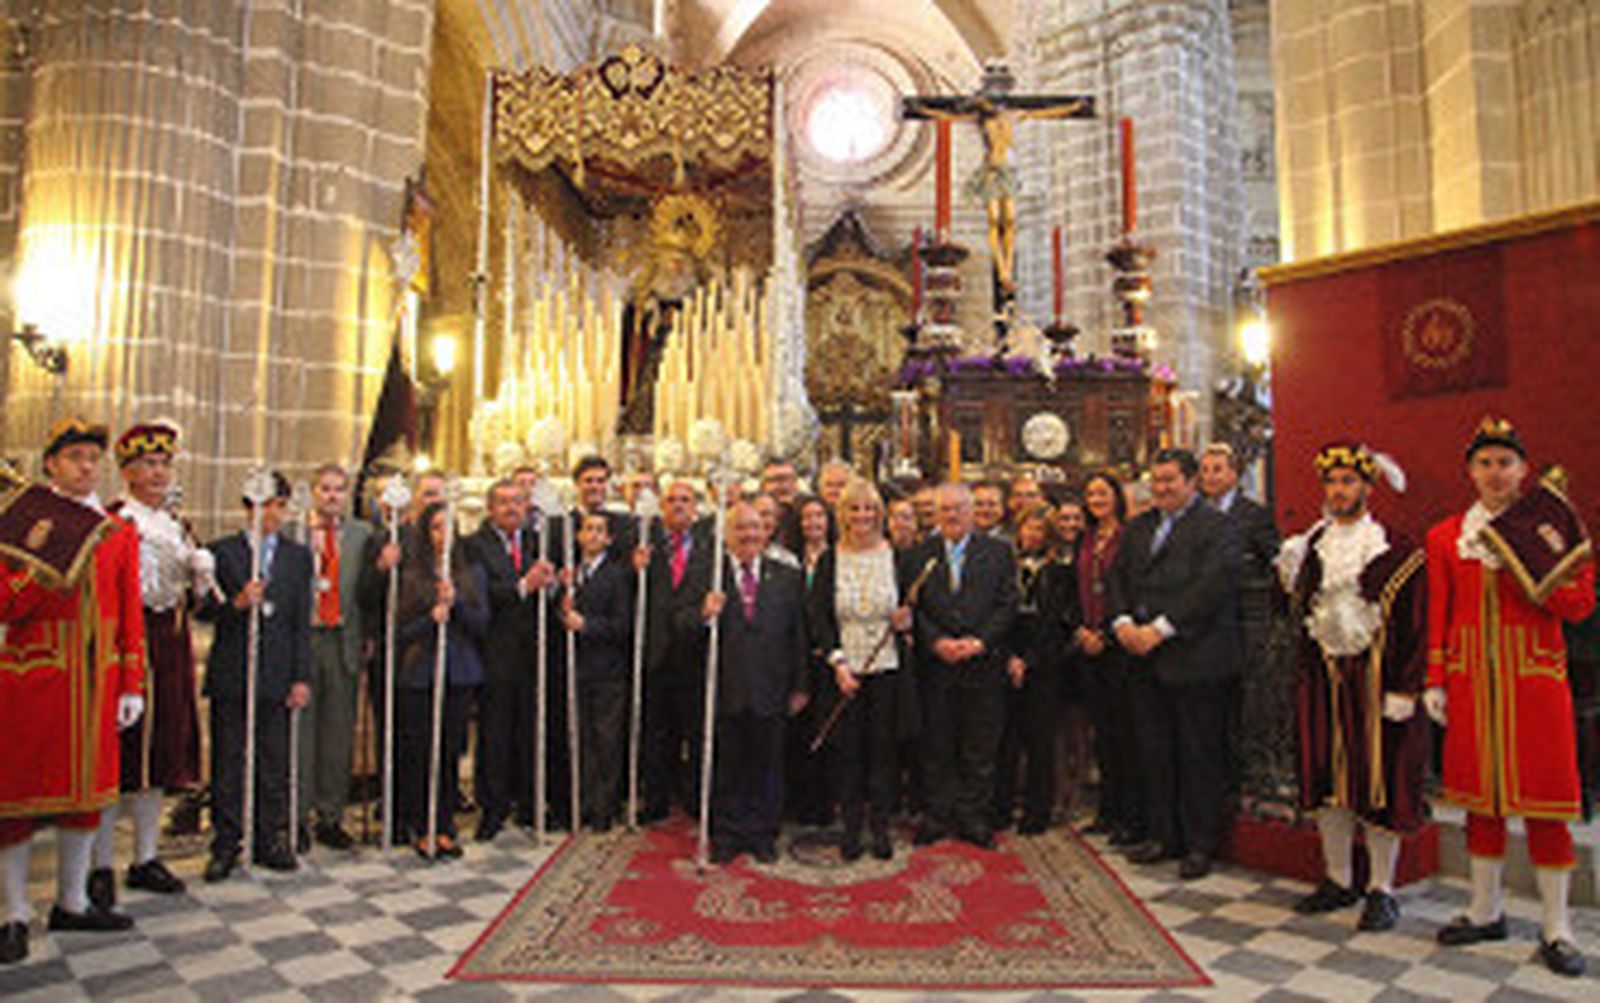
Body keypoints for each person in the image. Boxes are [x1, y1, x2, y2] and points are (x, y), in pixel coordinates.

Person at [1426, 418, 1595, 976]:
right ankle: (1484, 908)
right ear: (1470, 472)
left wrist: (1538, 575)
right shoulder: (1447, 536)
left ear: (1523, 471)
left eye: (1505, 463)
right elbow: (1440, 614)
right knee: (1481, 801)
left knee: (1548, 806)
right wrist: (1435, 678)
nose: (1494, 474)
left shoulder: (1550, 528)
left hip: (1535, 681)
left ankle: (1557, 925)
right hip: (1472, 680)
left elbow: (1579, 605)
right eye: (1484, 463)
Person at [1, 419, 146, 964]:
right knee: (14, 802)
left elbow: (129, 611)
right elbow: (5, 603)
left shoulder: (116, 531)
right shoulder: (23, 523)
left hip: (96, 681)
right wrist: (45, 564)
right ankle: (13, 912)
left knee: (88, 798)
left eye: (92, 458)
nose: (86, 466)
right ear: (52, 464)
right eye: (75, 457)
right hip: (31, 676)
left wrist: (132, 678)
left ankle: (73, 900)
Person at [1277, 443, 1426, 932]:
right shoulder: (1311, 548)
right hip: (1323, 681)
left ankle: (1381, 888)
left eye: (1347, 482)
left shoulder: (1396, 550)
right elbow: (1297, 617)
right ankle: (1338, 878)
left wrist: (1406, 688)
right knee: (1327, 780)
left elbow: (1414, 625)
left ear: (1367, 486)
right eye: (1332, 483)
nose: (1338, 491)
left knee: (1378, 781)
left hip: (1376, 685)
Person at [1109, 448, 1241, 880]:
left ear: (1191, 482)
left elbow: (1212, 586)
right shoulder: (1137, 528)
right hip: (1142, 660)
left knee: (1197, 753)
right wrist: (1124, 621)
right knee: (1154, 751)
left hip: (1194, 657)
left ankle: (1199, 844)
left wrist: (1161, 629)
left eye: (1170, 480)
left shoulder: (1218, 527)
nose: (1161, 488)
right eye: (1156, 481)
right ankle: (1162, 835)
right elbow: (1118, 579)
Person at [95, 421, 208, 905]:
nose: (159, 472)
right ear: (127, 471)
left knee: (161, 752)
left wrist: (201, 580)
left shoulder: (178, 524)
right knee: (119, 758)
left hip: (171, 642)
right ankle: (99, 863)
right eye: (149, 464)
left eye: (164, 463)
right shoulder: (114, 521)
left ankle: (145, 855)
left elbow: (195, 603)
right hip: (129, 642)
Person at [199, 471, 312, 881]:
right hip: (233, 668)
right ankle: (227, 842)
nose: (276, 514)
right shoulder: (221, 553)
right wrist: (237, 602)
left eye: (281, 505)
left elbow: (302, 620)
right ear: (249, 507)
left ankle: (271, 838)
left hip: (279, 670)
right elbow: (202, 610)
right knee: (229, 759)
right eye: (269, 505)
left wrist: (301, 676)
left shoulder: (297, 557)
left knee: (274, 759)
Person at [681, 503, 808, 863]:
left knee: (766, 765)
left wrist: (801, 685)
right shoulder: (706, 573)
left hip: (771, 686)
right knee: (726, 764)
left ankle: (761, 832)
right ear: (726, 534)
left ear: (766, 532)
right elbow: (678, 622)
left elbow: (798, 634)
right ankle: (728, 833)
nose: (750, 535)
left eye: (756, 528)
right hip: (723, 688)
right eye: (741, 529)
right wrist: (703, 614)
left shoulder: (786, 576)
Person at [808, 478, 919, 860]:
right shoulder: (830, 559)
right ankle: (852, 828)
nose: (863, 516)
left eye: (869, 508)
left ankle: (881, 828)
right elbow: (818, 617)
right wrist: (838, 664)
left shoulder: (899, 557)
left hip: (887, 669)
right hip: (845, 672)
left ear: (880, 513)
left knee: (883, 752)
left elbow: (913, 610)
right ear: (843, 513)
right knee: (849, 753)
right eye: (854, 508)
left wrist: (907, 621)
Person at [912, 482, 1017, 849]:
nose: (952, 516)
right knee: (936, 745)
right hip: (937, 666)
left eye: (959, 509)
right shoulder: (919, 553)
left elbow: (1007, 604)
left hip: (983, 665)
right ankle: (937, 815)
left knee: (980, 747)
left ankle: (974, 817)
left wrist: (981, 641)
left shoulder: (999, 552)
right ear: (936, 515)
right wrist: (935, 641)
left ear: (972, 513)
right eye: (945, 510)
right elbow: (913, 608)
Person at [395, 501, 488, 859]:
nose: (442, 535)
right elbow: (399, 631)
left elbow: (482, 625)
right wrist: (431, 618)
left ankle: (445, 823)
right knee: (421, 751)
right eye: (435, 527)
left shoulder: (471, 573)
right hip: (421, 671)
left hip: (460, 671)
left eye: (448, 527)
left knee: (450, 750)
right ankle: (422, 823)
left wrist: (457, 607)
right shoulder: (412, 574)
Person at [292, 463, 377, 851]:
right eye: (325, 489)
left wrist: (369, 636)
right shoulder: (295, 533)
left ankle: (331, 815)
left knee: (338, 733)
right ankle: (297, 816)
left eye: (339, 490)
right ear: (313, 492)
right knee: (302, 733)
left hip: (343, 637)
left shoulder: (362, 535)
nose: (331, 496)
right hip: (305, 638)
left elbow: (370, 591)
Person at [466, 479, 553, 840]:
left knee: (531, 728)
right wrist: (523, 586)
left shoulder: (537, 541)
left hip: (534, 651)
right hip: (495, 652)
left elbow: (545, 586)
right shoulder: (474, 545)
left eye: (518, 502)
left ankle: (529, 802)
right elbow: (479, 592)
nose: (511, 508)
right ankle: (493, 806)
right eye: (503, 503)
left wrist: (556, 583)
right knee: (495, 732)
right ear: (490, 508)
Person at [993, 504, 1076, 834]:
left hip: (1044, 666)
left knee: (1040, 742)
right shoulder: (1005, 567)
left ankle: (1036, 811)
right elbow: (999, 614)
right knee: (1005, 740)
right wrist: (1010, 657)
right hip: (1006, 662)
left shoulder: (1060, 573)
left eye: (1040, 530)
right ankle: (1000, 808)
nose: (1033, 535)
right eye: (1027, 528)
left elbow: (1056, 625)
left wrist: (1030, 660)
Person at [1074, 471, 1143, 846]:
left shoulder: (1129, 537)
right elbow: (1074, 588)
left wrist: (1107, 633)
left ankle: (1129, 816)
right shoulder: (1084, 539)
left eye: (1102, 492)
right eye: (1090, 493)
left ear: (1116, 496)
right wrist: (1082, 632)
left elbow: (1130, 589)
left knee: (1125, 736)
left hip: (1119, 646)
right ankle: (1107, 811)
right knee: (1101, 734)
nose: (1096, 499)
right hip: (1088, 645)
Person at [558, 512, 634, 830]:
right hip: (576, 667)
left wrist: (587, 625)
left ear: (609, 539)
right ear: (578, 536)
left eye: (599, 530)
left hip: (607, 669)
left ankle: (605, 805)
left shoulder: (616, 575)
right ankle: (583, 801)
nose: (592, 535)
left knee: (607, 738)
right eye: (588, 529)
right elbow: (558, 614)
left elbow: (623, 623)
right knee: (581, 737)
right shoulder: (571, 573)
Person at [641, 479, 711, 821]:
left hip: (695, 654)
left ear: (696, 507)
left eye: (685, 500)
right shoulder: (645, 544)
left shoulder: (710, 548)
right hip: (655, 652)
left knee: (696, 731)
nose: (679, 505)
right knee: (656, 732)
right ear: (661, 507)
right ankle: (656, 798)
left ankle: (696, 798)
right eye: (672, 500)